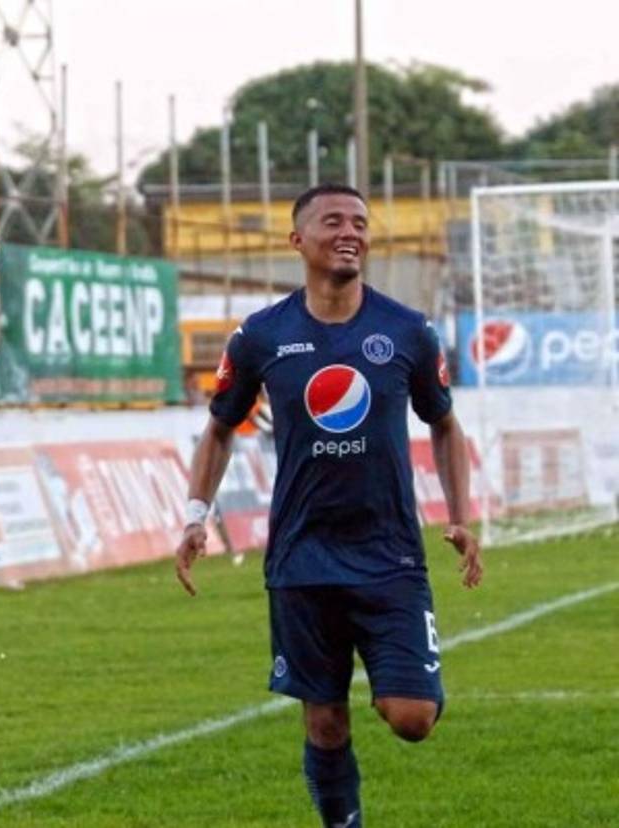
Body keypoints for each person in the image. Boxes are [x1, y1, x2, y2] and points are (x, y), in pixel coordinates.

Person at [175, 183, 483, 828]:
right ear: (297, 240)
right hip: (302, 556)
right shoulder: (261, 336)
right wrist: (196, 516)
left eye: (361, 223)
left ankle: (404, 678)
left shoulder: (407, 330)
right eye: (334, 221)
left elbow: (445, 425)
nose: (351, 233)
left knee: (413, 717)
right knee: (324, 721)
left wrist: (460, 515)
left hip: (389, 553)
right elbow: (220, 428)